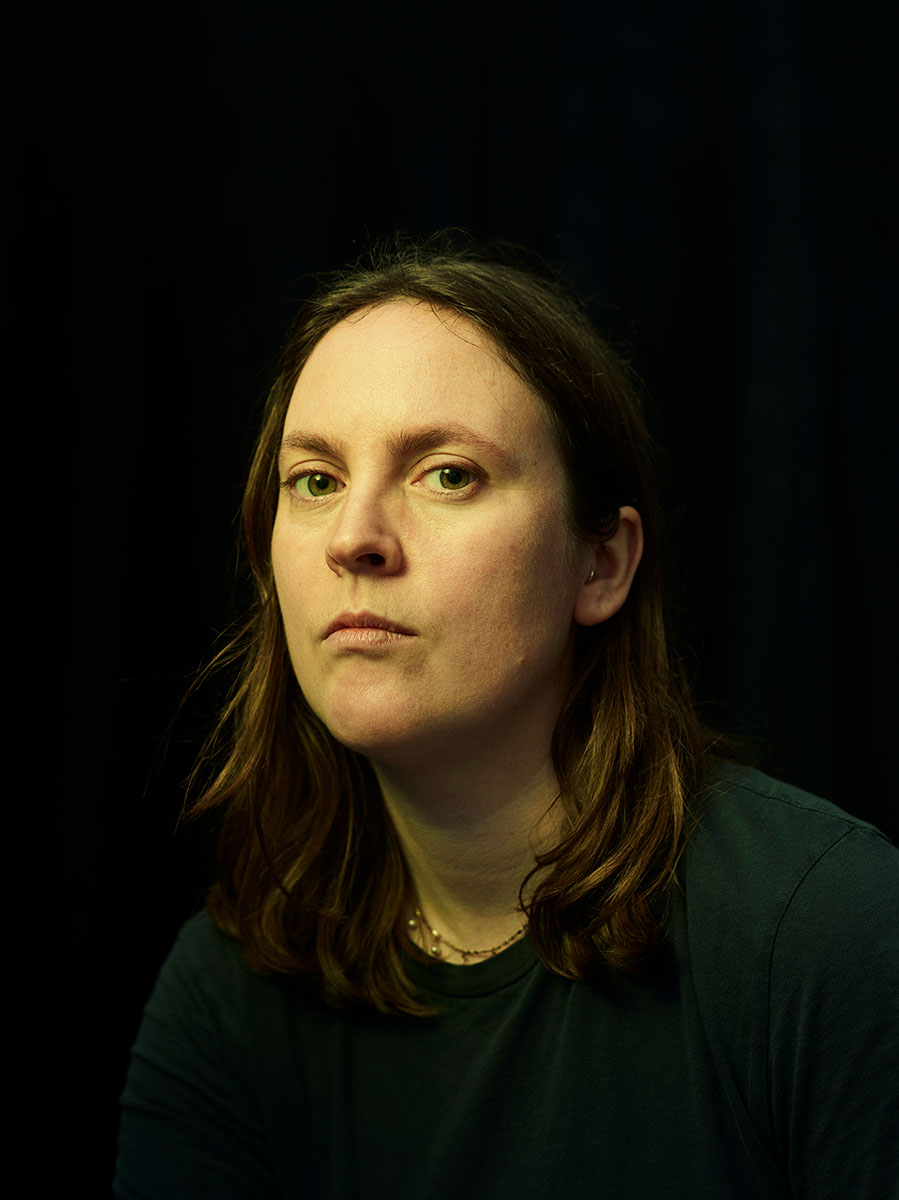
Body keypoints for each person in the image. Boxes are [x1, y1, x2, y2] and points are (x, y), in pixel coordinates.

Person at [115, 234, 898, 1198]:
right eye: (314, 480)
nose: (355, 537)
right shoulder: (227, 991)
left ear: (600, 564)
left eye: (447, 473)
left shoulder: (827, 932)